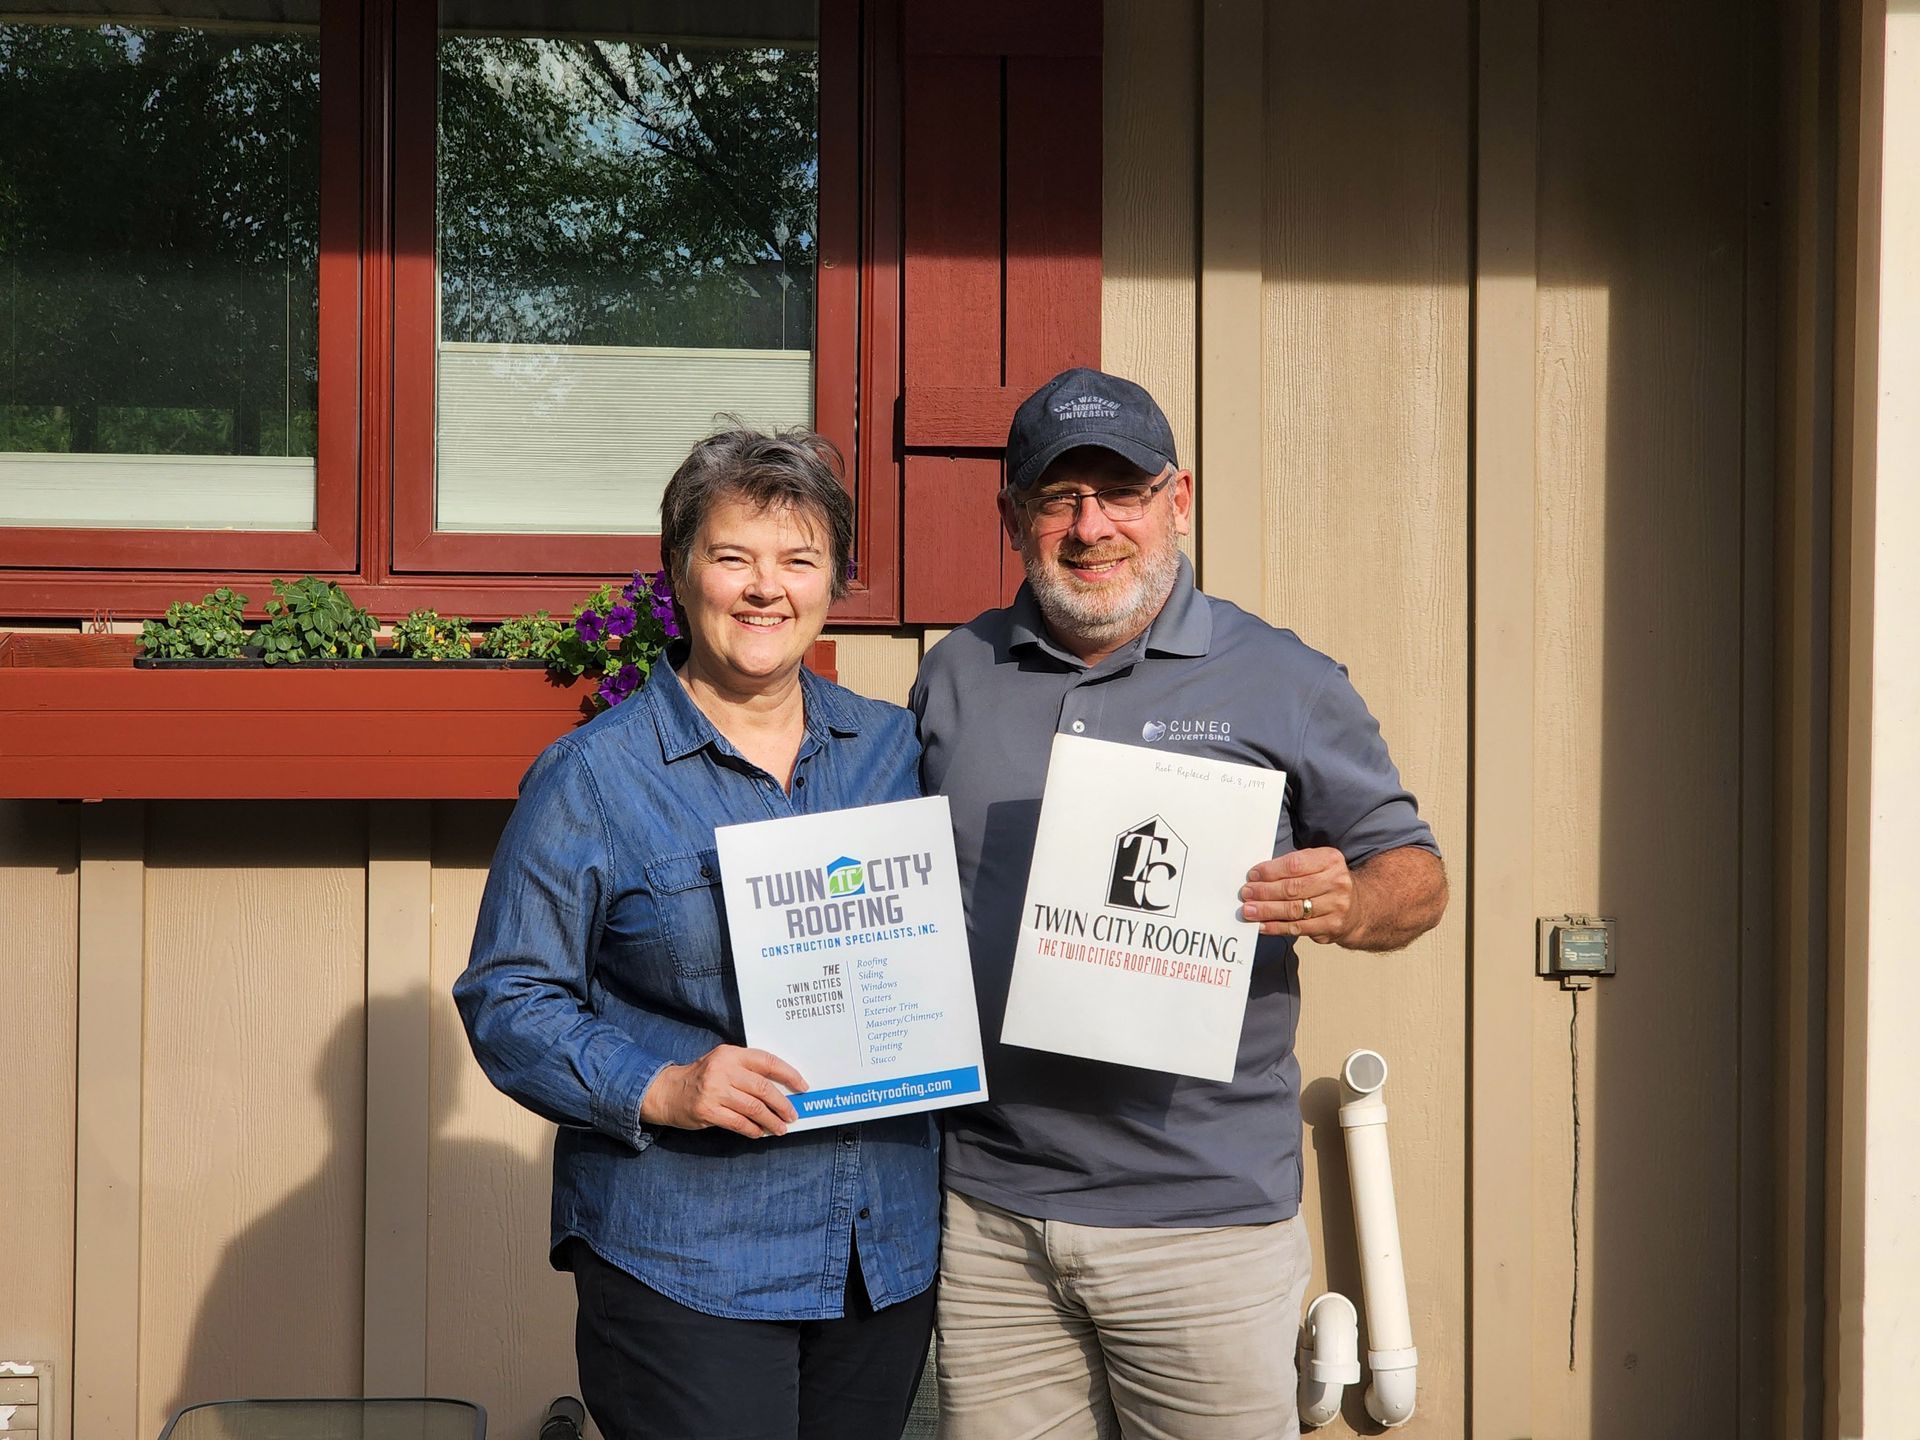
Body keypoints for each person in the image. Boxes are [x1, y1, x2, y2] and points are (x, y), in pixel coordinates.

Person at [910, 368, 1448, 1440]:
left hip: (1202, 1220)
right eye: (1058, 498)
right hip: (991, 1215)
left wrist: (1347, 901)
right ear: (1011, 516)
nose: (1091, 526)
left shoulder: (1283, 681)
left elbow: (1415, 874)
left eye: (1123, 492)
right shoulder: (955, 673)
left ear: (1178, 497)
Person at [455, 427, 937, 1440]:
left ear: (833, 580)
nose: (767, 589)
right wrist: (663, 1086)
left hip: (878, 1255)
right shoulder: (594, 775)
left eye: (799, 560)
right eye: (734, 558)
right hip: (687, 1261)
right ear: (681, 573)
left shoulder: (895, 751)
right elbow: (508, 998)